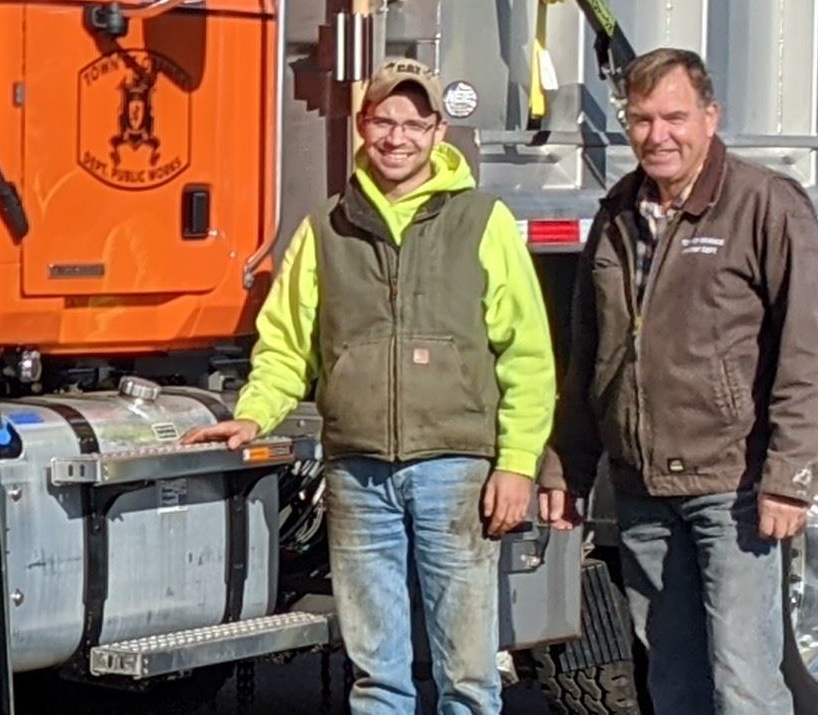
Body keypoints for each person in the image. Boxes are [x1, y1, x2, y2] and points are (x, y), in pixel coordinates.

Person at [183, 57, 555, 715]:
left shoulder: (483, 221)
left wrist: (518, 465)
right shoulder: (324, 228)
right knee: (376, 678)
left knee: (467, 677)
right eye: (384, 119)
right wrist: (254, 415)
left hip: (455, 472)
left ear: (438, 131)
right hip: (358, 474)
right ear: (362, 125)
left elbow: (526, 357)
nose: (397, 136)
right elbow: (285, 346)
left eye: (414, 122)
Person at [538, 47, 818, 715]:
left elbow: (813, 350)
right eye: (641, 119)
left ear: (710, 116)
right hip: (642, 488)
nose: (658, 135)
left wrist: (789, 476)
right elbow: (591, 356)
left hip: (731, 486)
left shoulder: (763, 205)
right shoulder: (616, 214)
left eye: (674, 116)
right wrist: (566, 467)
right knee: (671, 684)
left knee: (742, 683)